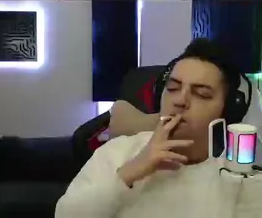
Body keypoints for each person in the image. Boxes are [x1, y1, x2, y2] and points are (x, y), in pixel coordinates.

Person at [56, 38, 262, 217]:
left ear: (226, 111)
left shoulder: (238, 180)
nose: (180, 100)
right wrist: (132, 171)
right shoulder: (117, 152)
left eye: (201, 94)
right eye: (172, 88)